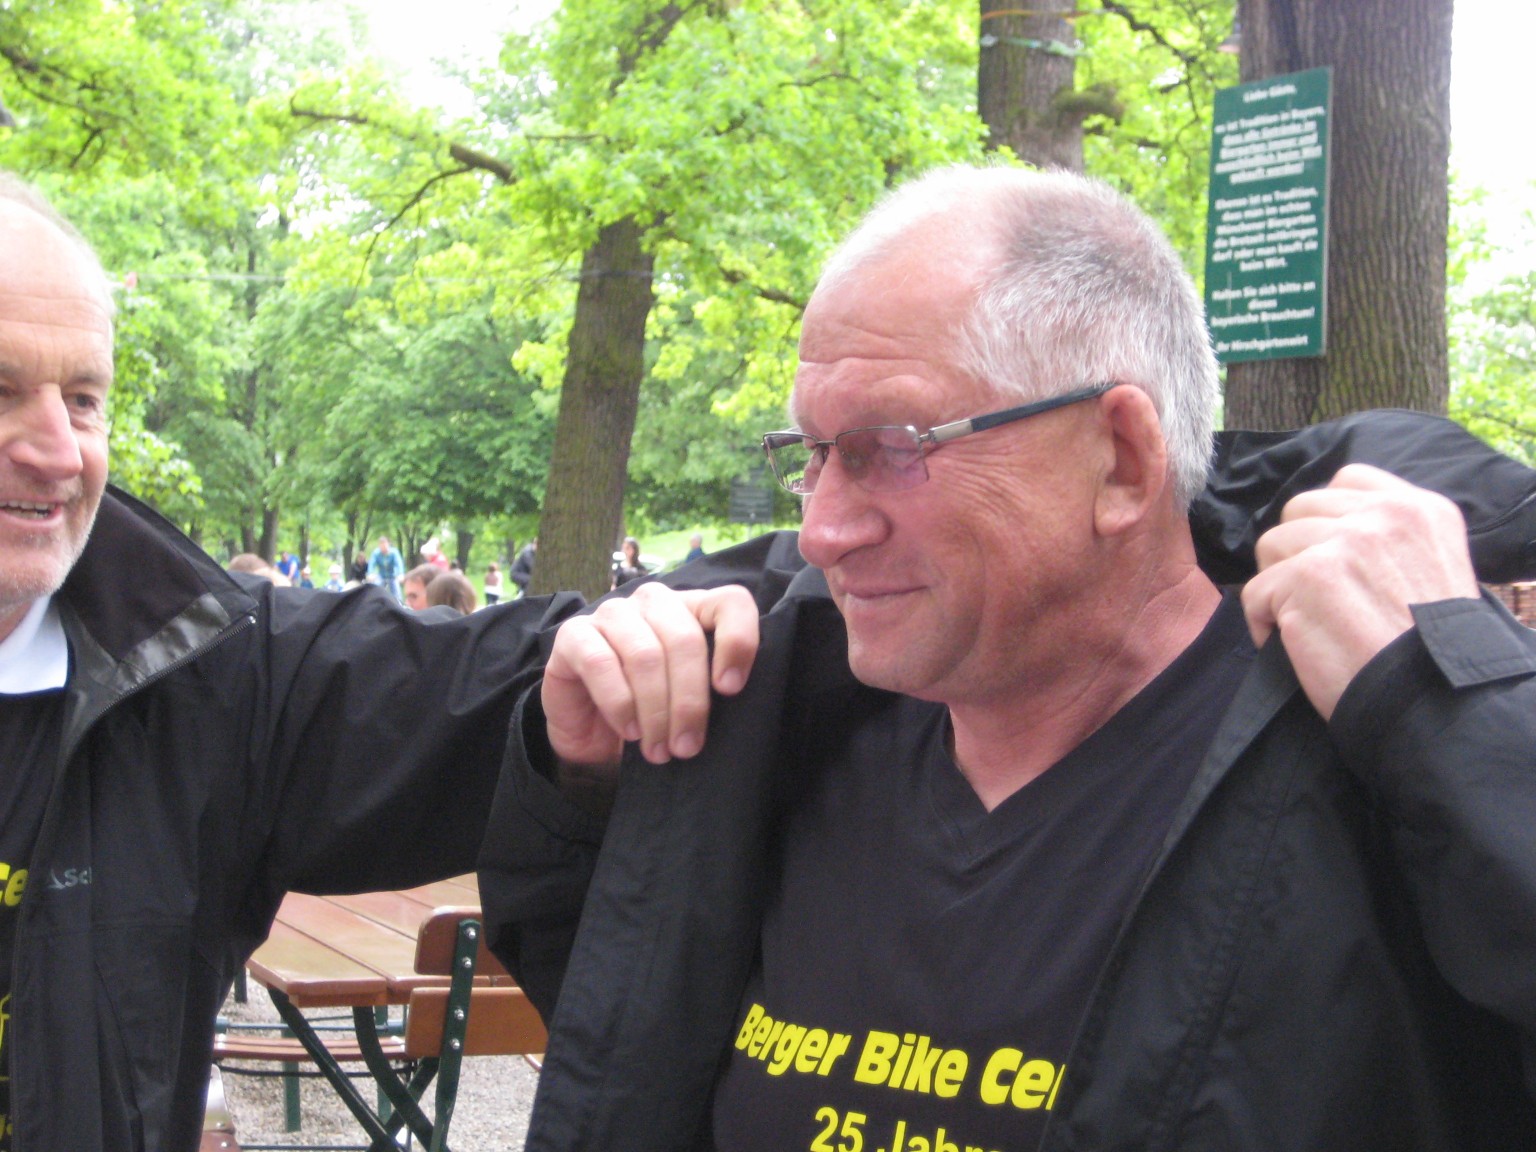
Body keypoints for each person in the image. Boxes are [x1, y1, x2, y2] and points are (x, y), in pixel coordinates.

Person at [481, 166, 1536, 1150]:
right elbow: (627, 1047)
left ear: (1120, 460)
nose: (822, 532)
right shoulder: (779, 738)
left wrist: (1457, 703)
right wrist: (588, 786)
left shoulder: (1369, 777)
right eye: (812, 455)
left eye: (891, 449)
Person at [0, 172, 750, 1152]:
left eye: (83, 398)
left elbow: (503, 679)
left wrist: (660, 641)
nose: (59, 452)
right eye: (2, 390)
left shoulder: (206, 680)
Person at [367, 534, 404, 601]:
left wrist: (400, 573)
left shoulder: (394, 553)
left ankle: (399, 603)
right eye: (381, 544)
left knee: (397, 592)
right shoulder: (376, 553)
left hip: (392, 576)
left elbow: (399, 563)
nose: (383, 547)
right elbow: (371, 564)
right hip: (381, 575)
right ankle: (374, 602)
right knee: (376, 588)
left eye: (384, 544)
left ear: (388, 544)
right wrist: (370, 573)